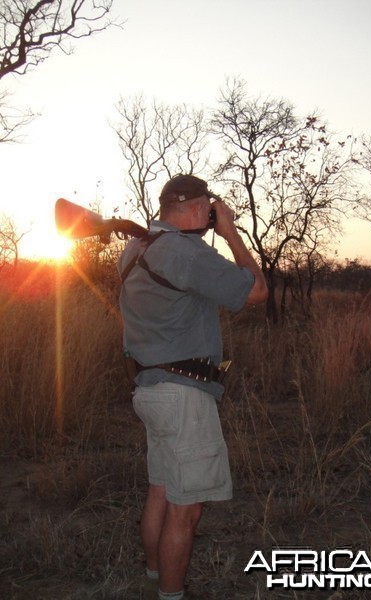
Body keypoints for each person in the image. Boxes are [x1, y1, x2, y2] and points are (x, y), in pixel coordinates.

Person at [118, 174, 268, 600]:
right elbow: (256, 291)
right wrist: (231, 232)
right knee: (186, 508)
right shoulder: (185, 252)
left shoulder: (135, 249)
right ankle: (170, 594)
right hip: (184, 394)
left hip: (150, 389)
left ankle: (152, 577)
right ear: (199, 207)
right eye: (211, 207)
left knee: (162, 490)